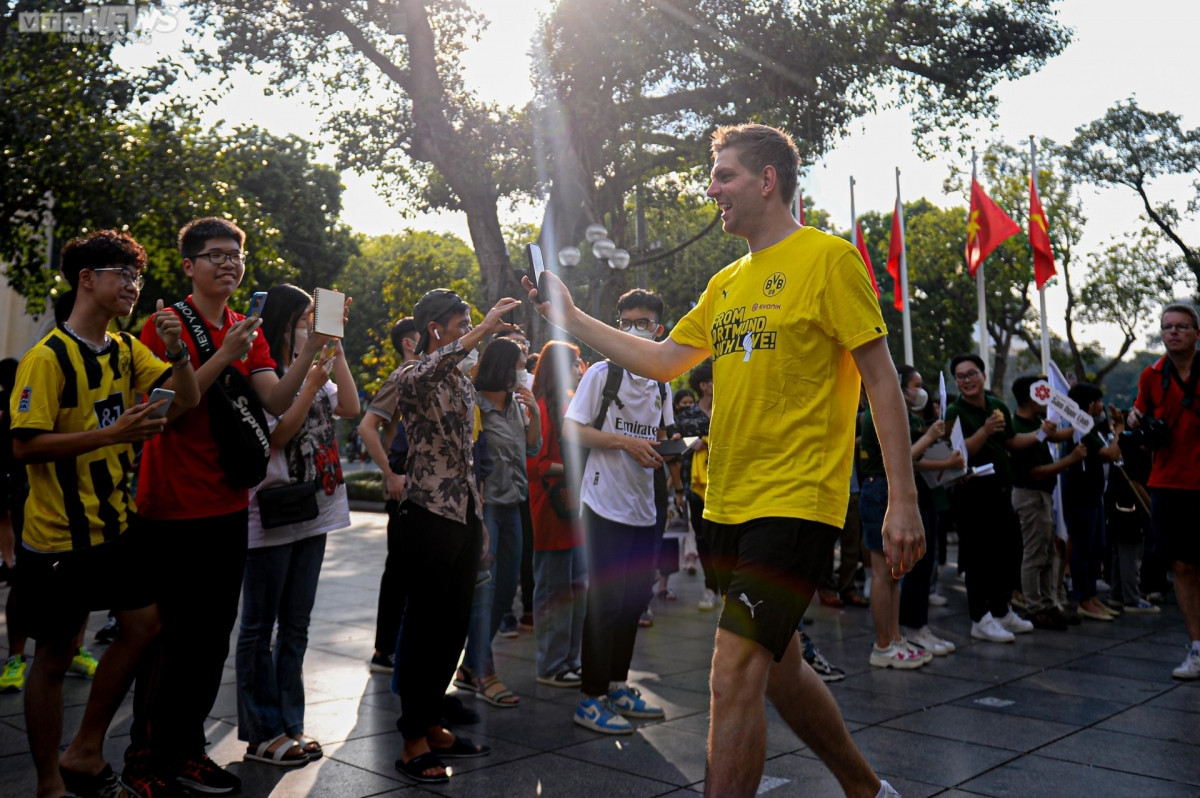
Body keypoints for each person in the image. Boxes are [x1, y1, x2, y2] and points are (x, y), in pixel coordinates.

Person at [526, 123, 921, 798]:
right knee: (779, 665)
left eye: (725, 176)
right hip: (726, 504)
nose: (712, 190)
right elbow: (661, 358)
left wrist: (904, 500)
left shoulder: (828, 260)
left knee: (731, 670)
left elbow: (880, 378)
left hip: (795, 502)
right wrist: (573, 319)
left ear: (767, 180)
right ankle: (866, 789)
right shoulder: (727, 282)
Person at [126, 217, 330, 796]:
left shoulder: (249, 328)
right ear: (189, 266)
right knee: (168, 642)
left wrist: (311, 354)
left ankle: (187, 751)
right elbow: (169, 410)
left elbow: (274, 397)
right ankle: (143, 763)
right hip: (170, 507)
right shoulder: (163, 326)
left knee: (211, 640)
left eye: (236, 256)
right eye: (215, 256)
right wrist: (223, 354)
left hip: (228, 504)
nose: (229, 264)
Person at [9, 229, 199, 798]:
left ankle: (86, 749)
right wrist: (111, 433)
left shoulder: (122, 349)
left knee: (144, 626)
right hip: (59, 539)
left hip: (116, 525)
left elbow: (185, 399)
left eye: (137, 277)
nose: (134, 287)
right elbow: (23, 446)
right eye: (124, 274)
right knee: (56, 654)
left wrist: (181, 352)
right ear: (87, 280)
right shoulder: (48, 358)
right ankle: (49, 784)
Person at [391, 288, 519, 784]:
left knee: (452, 628)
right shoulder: (411, 375)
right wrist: (482, 332)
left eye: (470, 320)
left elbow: (468, 457)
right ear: (434, 330)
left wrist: (480, 517)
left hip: (463, 516)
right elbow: (427, 371)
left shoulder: (464, 385)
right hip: (426, 515)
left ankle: (432, 721)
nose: (468, 326)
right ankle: (411, 739)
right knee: (423, 631)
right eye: (459, 322)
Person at [236, 284, 358, 766]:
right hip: (272, 509)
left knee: (297, 627)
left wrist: (335, 347)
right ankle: (262, 730)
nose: (313, 320)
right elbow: (279, 436)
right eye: (307, 315)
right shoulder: (266, 373)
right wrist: (307, 381)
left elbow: (349, 406)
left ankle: (292, 723)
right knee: (259, 626)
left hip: (316, 507)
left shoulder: (314, 363)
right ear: (288, 320)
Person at [562, 289, 674, 735]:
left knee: (632, 602)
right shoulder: (602, 374)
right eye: (624, 320)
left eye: (642, 322)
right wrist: (624, 442)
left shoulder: (662, 380)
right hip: (603, 503)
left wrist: (673, 449)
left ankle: (617, 684)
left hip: (645, 505)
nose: (631, 329)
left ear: (658, 330)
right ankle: (589, 698)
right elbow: (574, 430)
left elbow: (662, 436)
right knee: (604, 603)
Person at [457, 337, 542, 706]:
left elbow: (532, 448)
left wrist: (535, 414)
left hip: (515, 504)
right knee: (486, 593)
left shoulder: (516, 405)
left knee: (507, 589)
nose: (523, 370)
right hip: (487, 507)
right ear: (502, 366)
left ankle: (469, 665)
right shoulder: (474, 405)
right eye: (519, 363)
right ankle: (484, 672)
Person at [946, 354, 1049, 643]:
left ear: (983, 376)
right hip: (972, 494)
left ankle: (1002, 611)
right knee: (979, 559)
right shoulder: (955, 412)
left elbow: (1012, 442)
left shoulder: (998, 406)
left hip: (1002, 492)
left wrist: (1041, 434)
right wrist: (984, 431)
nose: (966, 380)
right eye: (961, 376)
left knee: (1008, 553)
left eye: (971, 374)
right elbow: (957, 453)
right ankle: (980, 618)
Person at [1128, 303, 1200, 679]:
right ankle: (1197, 647)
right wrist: (1136, 421)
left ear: (1196, 334)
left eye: (1182, 327)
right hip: (1169, 483)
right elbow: (1139, 420)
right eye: (1167, 327)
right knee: (1183, 566)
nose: (1173, 332)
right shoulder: (1151, 376)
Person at [359, 316, 421, 673]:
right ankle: (385, 650)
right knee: (398, 570)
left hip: (421, 489)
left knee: (410, 571)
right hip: (403, 488)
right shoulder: (402, 377)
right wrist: (390, 473)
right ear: (409, 344)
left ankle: (401, 646)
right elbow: (368, 426)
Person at [527, 341, 588, 687]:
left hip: (573, 511)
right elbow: (535, 463)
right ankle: (551, 665)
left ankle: (570, 659)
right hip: (552, 511)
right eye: (575, 362)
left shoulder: (569, 403)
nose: (580, 369)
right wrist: (574, 468)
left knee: (578, 588)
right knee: (553, 591)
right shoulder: (541, 407)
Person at [1008, 375, 1084, 631]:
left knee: (1047, 551)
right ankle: (1035, 607)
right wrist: (1071, 460)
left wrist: (1080, 422)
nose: (1049, 398)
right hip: (1030, 496)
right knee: (1034, 553)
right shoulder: (1018, 428)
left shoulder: (1035, 422)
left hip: (1041, 496)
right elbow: (1036, 472)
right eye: (1045, 393)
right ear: (1032, 397)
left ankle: (1048, 603)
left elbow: (1055, 436)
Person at [674, 360, 719, 610]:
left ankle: (726, 587)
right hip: (695, 486)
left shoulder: (729, 408)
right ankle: (710, 587)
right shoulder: (688, 417)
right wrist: (693, 443)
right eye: (713, 379)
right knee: (702, 539)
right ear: (703, 385)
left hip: (727, 484)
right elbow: (673, 446)